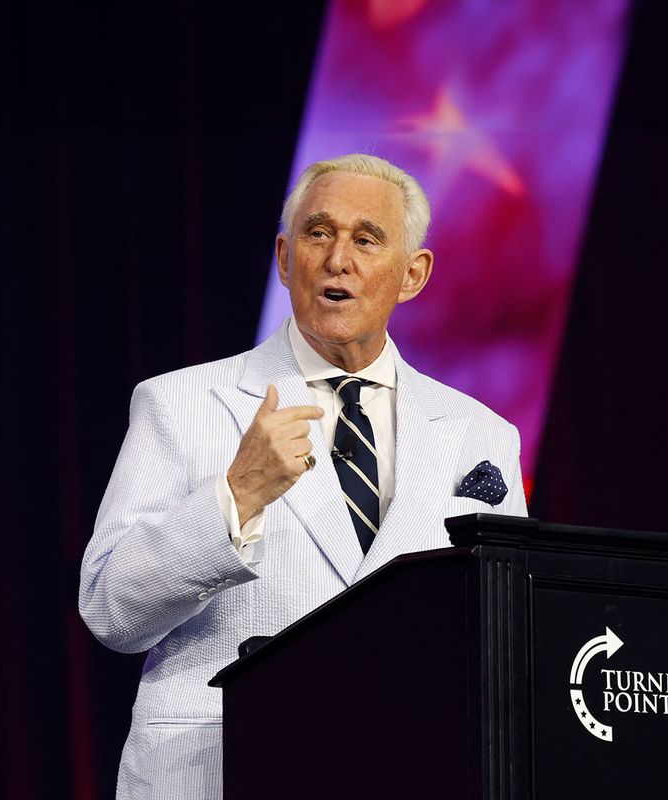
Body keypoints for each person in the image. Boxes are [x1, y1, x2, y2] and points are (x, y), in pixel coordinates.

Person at [79, 153, 527, 799]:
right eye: (319, 234)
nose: (338, 259)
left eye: (366, 239)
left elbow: (502, 636)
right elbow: (110, 609)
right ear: (286, 257)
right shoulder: (180, 403)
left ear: (412, 274)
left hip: (411, 772)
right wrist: (236, 499)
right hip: (223, 773)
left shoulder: (480, 433)